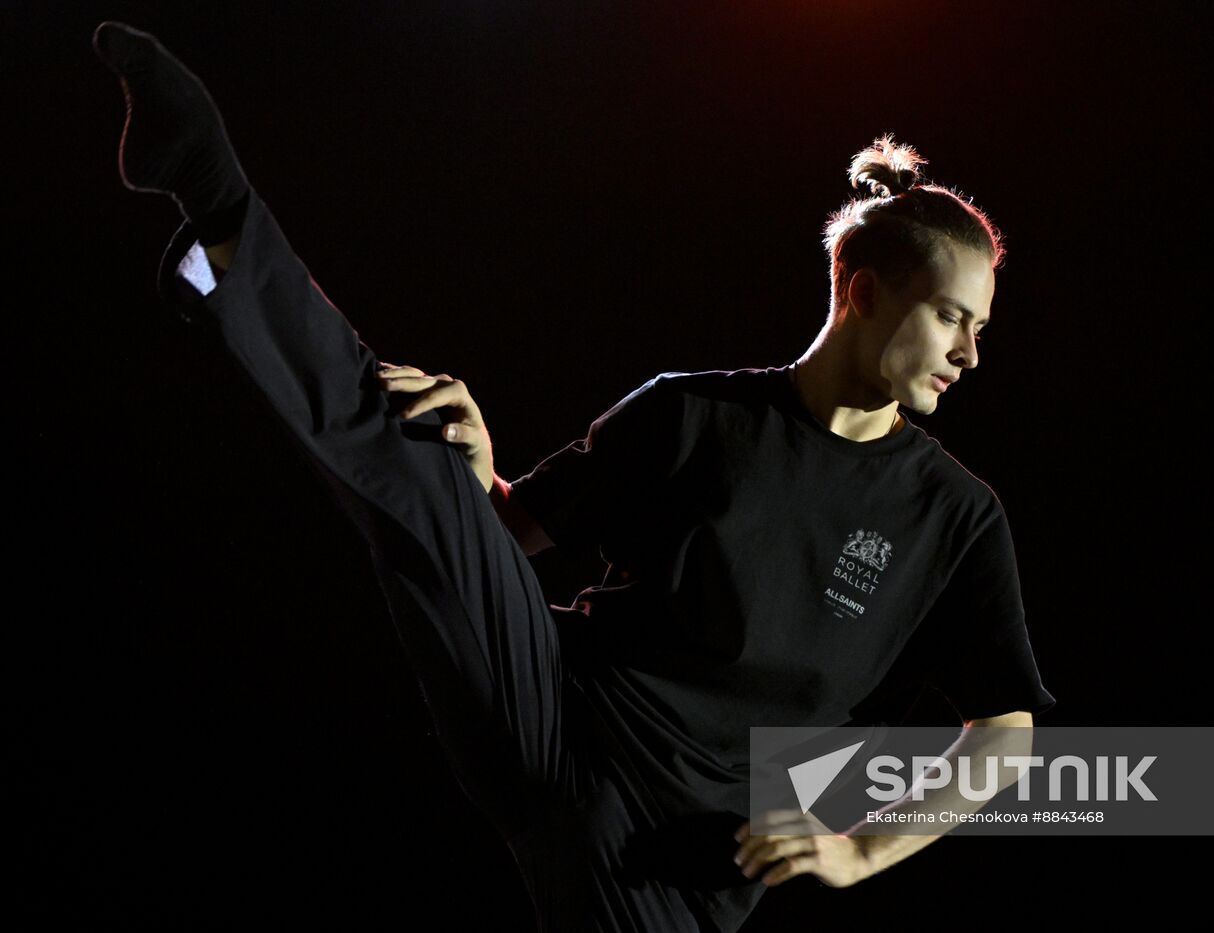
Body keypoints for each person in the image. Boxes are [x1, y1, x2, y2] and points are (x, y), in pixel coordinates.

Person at [93, 20, 1054, 931]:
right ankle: (219, 208)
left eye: (982, 329)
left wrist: (858, 847)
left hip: (673, 853)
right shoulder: (693, 415)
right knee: (420, 459)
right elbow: (506, 540)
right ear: (864, 292)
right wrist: (477, 470)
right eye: (952, 318)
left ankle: (220, 287)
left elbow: (1006, 734)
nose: (969, 354)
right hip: (554, 712)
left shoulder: (954, 519)